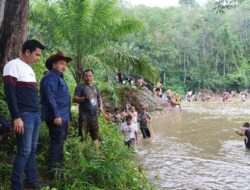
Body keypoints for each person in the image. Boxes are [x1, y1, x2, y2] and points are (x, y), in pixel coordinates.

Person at [3, 39, 45, 190]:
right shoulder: (13, 65)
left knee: (32, 150)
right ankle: (16, 186)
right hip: (24, 116)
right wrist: (16, 117)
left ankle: (32, 181)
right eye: (37, 54)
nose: (38, 58)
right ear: (27, 52)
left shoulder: (29, 69)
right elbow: (10, 93)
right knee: (24, 151)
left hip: (34, 115)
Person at [40, 51, 72, 179]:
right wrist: (56, 115)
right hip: (57, 117)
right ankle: (53, 172)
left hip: (63, 116)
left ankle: (60, 168)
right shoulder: (51, 77)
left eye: (65, 64)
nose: (64, 66)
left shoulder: (59, 78)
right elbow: (50, 97)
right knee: (56, 142)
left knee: (60, 141)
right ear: (54, 64)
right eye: (61, 63)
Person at [73, 69, 102, 149]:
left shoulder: (95, 87)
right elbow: (74, 99)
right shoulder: (80, 87)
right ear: (83, 77)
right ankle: (81, 157)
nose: (88, 78)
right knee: (82, 136)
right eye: (86, 76)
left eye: (90, 76)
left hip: (94, 115)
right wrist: (84, 98)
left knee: (95, 136)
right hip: (84, 115)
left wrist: (101, 107)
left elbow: (99, 98)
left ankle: (96, 156)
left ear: (93, 76)